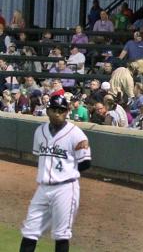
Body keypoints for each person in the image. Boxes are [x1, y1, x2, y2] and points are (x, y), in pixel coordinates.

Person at [19, 93, 92, 252]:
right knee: (30, 231)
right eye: (54, 109)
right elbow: (39, 156)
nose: (58, 113)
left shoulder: (76, 133)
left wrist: (66, 171)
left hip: (65, 189)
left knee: (61, 234)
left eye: (61, 110)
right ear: (48, 111)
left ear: (67, 112)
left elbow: (86, 162)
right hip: (43, 188)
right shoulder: (40, 131)